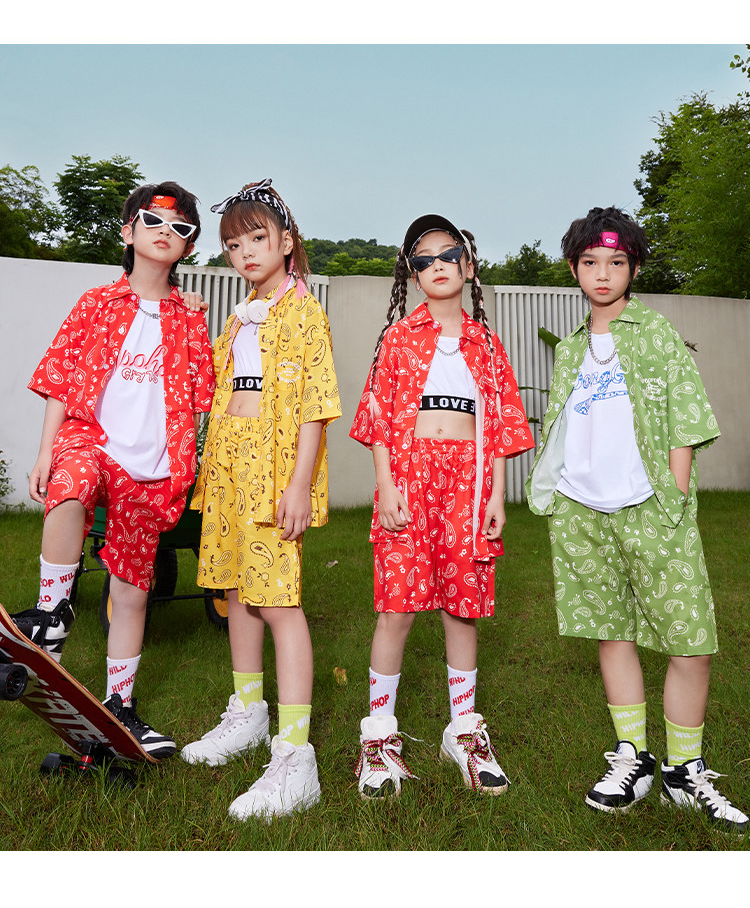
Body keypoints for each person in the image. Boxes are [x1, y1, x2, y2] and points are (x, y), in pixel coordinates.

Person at [526, 206, 747, 833]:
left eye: (616, 262)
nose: (603, 273)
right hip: (582, 512)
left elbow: (686, 416)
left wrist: (674, 494)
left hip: (651, 507)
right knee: (611, 632)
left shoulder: (656, 334)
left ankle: (684, 769)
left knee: (690, 640)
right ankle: (634, 756)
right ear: (574, 269)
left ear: (635, 267)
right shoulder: (572, 349)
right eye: (590, 262)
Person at [14, 182, 215, 756]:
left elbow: (201, 398)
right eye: (153, 221)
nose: (165, 232)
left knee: (130, 593)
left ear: (188, 247)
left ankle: (120, 705)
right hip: (92, 442)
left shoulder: (190, 318)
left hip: (153, 468)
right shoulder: (95, 304)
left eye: (180, 229)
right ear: (128, 231)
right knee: (71, 483)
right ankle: (52, 612)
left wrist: (186, 465)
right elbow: (60, 381)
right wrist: (46, 451)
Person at [349, 214, 535, 799]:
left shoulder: (487, 345)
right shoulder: (398, 339)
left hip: (467, 486)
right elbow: (378, 418)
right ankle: (379, 737)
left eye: (448, 254)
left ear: (468, 266)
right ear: (412, 274)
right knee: (397, 608)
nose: (437, 266)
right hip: (409, 480)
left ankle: (464, 730)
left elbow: (499, 427)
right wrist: (387, 485)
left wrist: (496, 494)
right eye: (423, 259)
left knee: (462, 607)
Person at [181, 178, 341, 820]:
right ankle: (248, 714)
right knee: (236, 592)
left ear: (286, 242)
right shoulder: (243, 312)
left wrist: (298, 483)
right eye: (232, 244)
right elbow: (219, 386)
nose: (244, 252)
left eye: (256, 238)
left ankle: (296, 755)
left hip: (273, 471)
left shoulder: (304, 313)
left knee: (277, 602)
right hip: (228, 465)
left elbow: (316, 405)